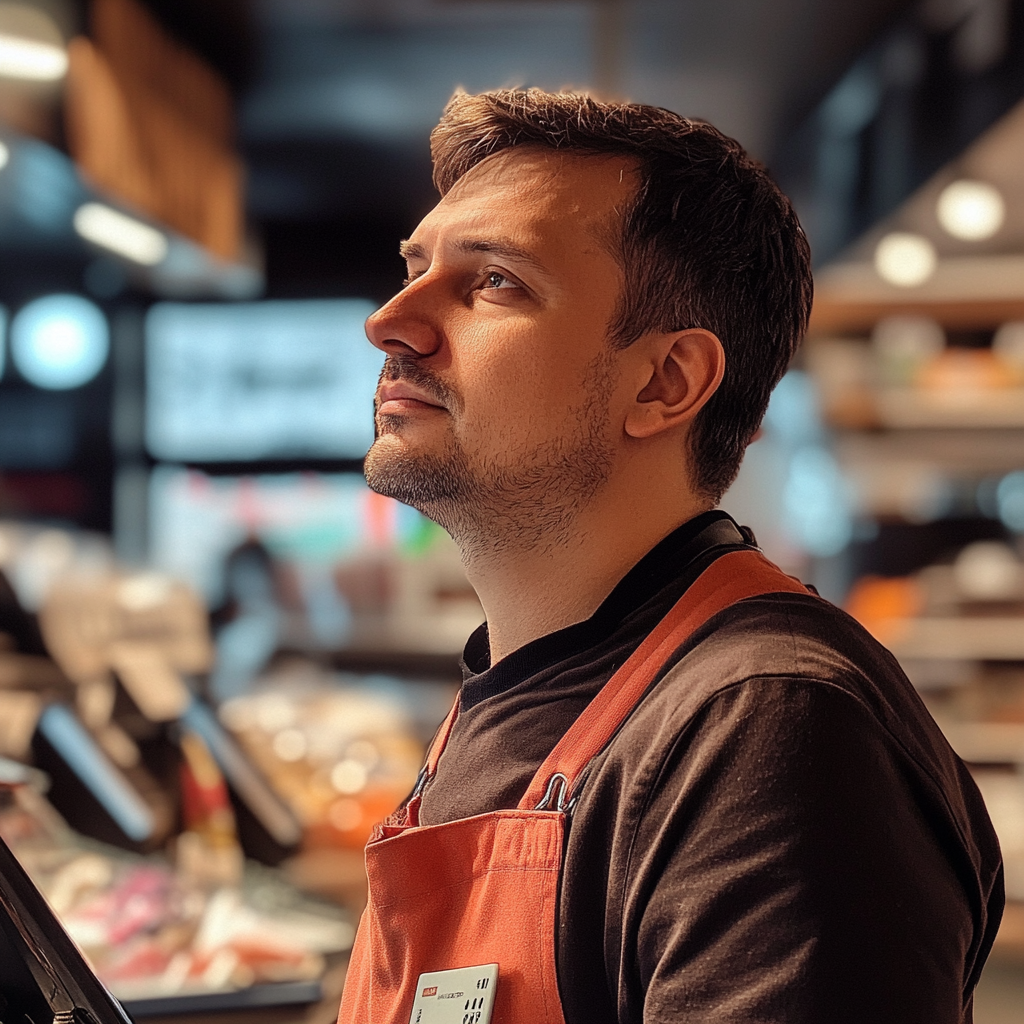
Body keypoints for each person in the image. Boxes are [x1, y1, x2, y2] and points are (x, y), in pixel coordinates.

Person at [340, 88, 1003, 1024]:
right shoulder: (521, 681)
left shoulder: (765, 728)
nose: (391, 321)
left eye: (494, 282)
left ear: (665, 381)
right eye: (412, 268)